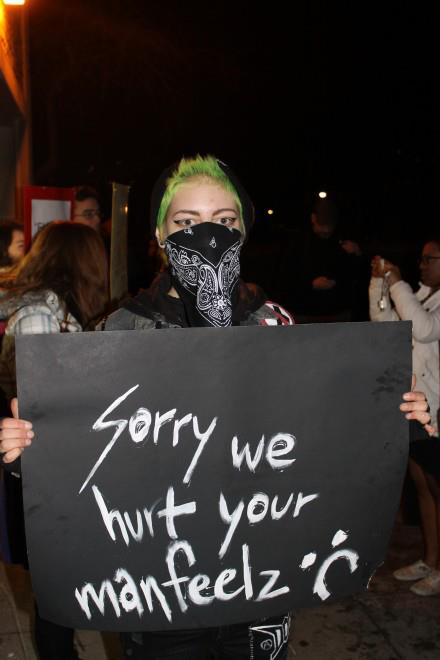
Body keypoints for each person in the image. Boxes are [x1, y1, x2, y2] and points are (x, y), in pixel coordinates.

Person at [0, 156, 434, 659]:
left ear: (243, 232)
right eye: (186, 223)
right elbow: (89, 462)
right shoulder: (120, 334)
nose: (207, 237)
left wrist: (392, 418)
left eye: (224, 222)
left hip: (259, 586)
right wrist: (30, 452)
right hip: (160, 590)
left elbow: (317, 434)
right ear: (161, 234)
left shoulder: (274, 326)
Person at [0, 220, 109, 660]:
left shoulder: (63, 310)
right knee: (54, 596)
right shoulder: (40, 314)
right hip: (48, 473)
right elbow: (41, 405)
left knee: (63, 588)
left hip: (67, 468)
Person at [369, 238, 440, 596]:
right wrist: (380, 282)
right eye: (422, 257)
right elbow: (385, 324)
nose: (422, 264)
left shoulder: (428, 303)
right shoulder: (423, 296)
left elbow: (424, 329)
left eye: (430, 258)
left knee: (437, 488)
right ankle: (431, 558)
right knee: (422, 486)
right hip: (416, 403)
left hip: (436, 411)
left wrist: (396, 283)